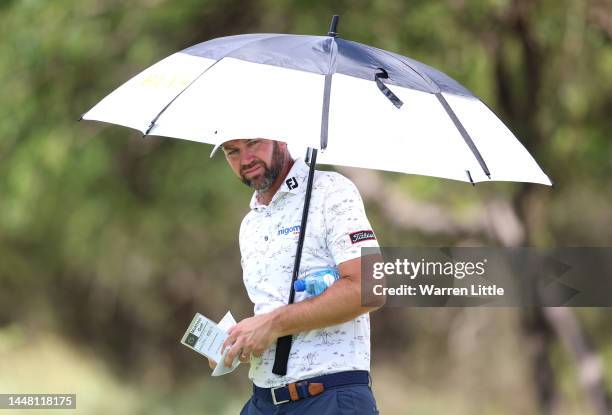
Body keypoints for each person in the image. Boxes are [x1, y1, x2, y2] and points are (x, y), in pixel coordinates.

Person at [209, 138, 383, 414]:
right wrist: (242, 341)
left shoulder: (332, 190)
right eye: (233, 152)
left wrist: (272, 325)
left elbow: (371, 287)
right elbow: (270, 318)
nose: (245, 159)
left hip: (329, 397)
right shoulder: (250, 223)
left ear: (280, 137)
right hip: (263, 401)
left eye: (253, 144)